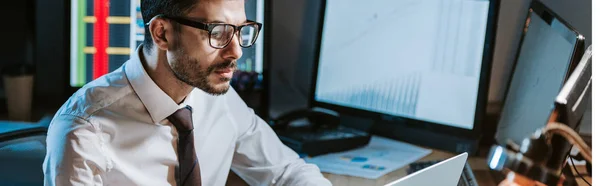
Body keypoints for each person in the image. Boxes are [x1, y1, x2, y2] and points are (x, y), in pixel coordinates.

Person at [42, 0, 332, 185]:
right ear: (162, 33)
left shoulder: (217, 95)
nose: (237, 51)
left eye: (241, 30)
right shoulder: (83, 132)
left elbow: (286, 173)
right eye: (217, 32)